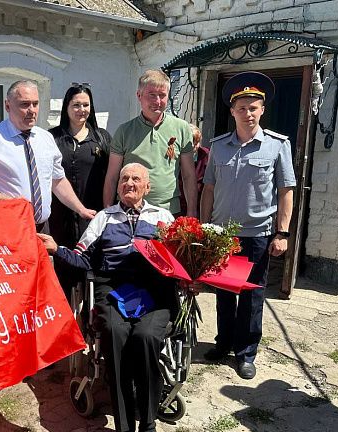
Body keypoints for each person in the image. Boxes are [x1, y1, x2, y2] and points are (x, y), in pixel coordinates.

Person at [39, 163, 176, 432]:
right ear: (117, 187)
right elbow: (82, 255)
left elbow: (180, 259)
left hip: (154, 292)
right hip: (113, 291)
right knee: (114, 334)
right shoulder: (104, 218)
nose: (129, 183)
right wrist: (56, 248)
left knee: (146, 337)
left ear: (147, 187)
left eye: (136, 179)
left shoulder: (163, 218)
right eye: (124, 179)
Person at [200, 71, 296, 380]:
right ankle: (224, 344)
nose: (248, 113)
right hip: (224, 235)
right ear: (232, 111)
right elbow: (209, 189)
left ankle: (246, 353)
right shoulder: (219, 146)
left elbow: (286, 191)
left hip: (257, 235)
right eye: (241, 108)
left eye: (253, 107)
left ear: (262, 110)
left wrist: (282, 233)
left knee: (252, 296)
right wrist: (204, 227)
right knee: (225, 293)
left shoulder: (277, 145)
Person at [0, 79, 95, 233]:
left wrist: (80, 209)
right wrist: (13, 204)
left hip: (42, 228)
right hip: (7, 229)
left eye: (35, 103)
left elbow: (58, 180)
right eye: (24, 104)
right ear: (7, 106)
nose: (32, 110)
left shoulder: (45, 138)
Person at [103, 70, 197, 217]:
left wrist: (192, 212)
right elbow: (112, 176)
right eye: (152, 95)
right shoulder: (124, 131)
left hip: (168, 212)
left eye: (162, 95)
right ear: (139, 96)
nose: (157, 101)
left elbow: (189, 176)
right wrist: (107, 212)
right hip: (130, 211)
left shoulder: (182, 128)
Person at [48, 83, 110, 294]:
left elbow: (110, 176)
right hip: (59, 216)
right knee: (62, 270)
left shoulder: (102, 138)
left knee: (90, 268)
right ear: (66, 107)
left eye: (86, 105)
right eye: (76, 105)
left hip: (92, 214)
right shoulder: (52, 138)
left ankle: (89, 321)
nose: (81, 110)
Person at [179, 124, 209, 216]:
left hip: (200, 205)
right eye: (191, 144)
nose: (195, 147)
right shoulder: (174, 155)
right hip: (179, 206)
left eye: (197, 143)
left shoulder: (207, 155)